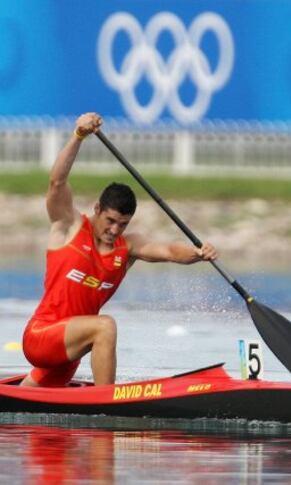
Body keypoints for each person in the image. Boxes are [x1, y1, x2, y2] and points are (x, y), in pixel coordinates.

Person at [21, 113, 217, 387]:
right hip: (41, 336)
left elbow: (171, 252)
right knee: (105, 326)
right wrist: (78, 136)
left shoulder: (129, 247)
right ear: (97, 210)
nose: (115, 230)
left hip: (70, 353)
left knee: (27, 404)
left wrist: (198, 253)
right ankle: (108, 399)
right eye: (110, 221)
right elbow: (57, 183)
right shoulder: (70, 225)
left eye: (122, 224)